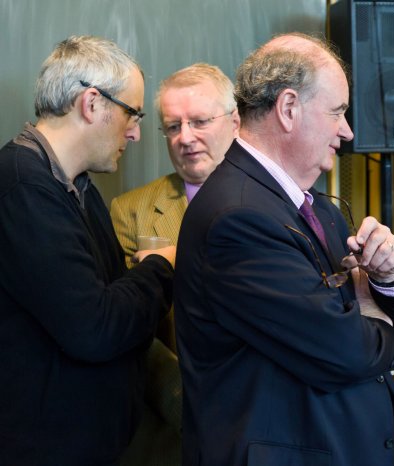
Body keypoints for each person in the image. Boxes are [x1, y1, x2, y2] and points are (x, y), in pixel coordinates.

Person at [174, 32, 394, 466]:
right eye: (337, 111)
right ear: (289, 109)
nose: (347, 130)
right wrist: (371, 319)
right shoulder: (237, 217)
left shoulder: (318, 206)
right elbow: (345, 352)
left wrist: (390, 277)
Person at [0, 36, 175, 465]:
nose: (135, 133)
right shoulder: (23, 188)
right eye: (132, 113)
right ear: (92, 103)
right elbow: (94, 329)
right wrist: (160, 267)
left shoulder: (75, 185)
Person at [110, 63, 239, 466]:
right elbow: (130, 331)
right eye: (172, 126)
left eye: (200, 121)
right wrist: (187, 405)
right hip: (171, 431)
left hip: (265, 422)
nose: (185, 138)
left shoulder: (278, 201)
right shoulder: (131, 211)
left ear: (235, 122)